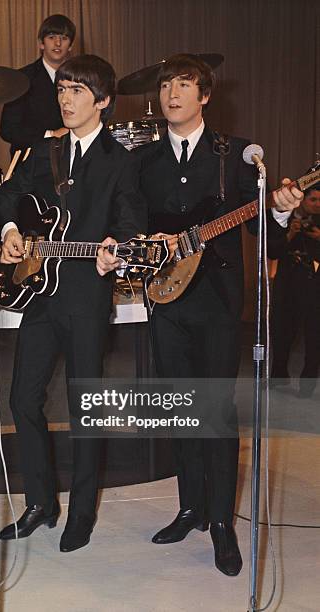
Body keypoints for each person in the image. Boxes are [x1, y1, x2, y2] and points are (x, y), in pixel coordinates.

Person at [97, 53, 302, 576]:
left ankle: (221, 521)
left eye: (184, 85)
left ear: (205, 95)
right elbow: (132, 222)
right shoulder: (143, 160)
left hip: (216, 302)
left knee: (216, 410)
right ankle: (189, 508)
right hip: (165, 298)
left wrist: (279, 206)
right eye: (167, 85)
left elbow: (272, 239)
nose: (173, 93)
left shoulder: (235, 155)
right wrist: (134, 244)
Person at [0, 54, 147, 552]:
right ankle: (40, 502)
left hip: (85, 298)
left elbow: (129, 228)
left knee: (87, 408)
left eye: (77, 91)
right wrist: (13, 230)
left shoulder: (121, 161)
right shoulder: (43, 150)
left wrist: (115, 257)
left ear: (103, 101)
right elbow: (10, 195)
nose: (65, 99)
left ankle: (81, 512)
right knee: (21, 399)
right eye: (62, 89)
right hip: (39, 296)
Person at [0, 14, 76, 158]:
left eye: (64, 38)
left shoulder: (80, 79)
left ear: (71, 46)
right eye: (51, 37)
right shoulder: (21, 79)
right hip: (30, 163)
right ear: (41, 43)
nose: (58, 43)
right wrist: (51, 134)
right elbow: (8, 130)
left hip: (70, 158)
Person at [270, 185, 320, 397]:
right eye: (313, 200)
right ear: (303, 199)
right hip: (288, 285)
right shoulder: (287, 219)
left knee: (314, 336)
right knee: (282, 332)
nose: (318, 205)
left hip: (314, 287)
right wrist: (291, 233)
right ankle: (277, 377)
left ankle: (307, 385)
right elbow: (273, 250)